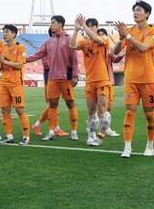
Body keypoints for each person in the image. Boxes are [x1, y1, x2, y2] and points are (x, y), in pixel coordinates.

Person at [113, 0, 154, 158]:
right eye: (134, 10)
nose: (135, 12)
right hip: (131, 79)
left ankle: (150, 145)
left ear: (147, 14)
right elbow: (115, 52)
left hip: (147, 79)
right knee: (129, 112)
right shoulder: (129, 30)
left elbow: (143, 48)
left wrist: (127, 35)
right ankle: (127, 147)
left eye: (139, 10)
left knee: (149, 114)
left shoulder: (153, 31)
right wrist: (120, 38)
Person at [26, 15, 80, 141]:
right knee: (52, 104)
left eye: (53, 23)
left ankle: (74, 131)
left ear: (60, 24)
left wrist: (75, 76)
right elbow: (38, 54)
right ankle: (51, 132)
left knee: (70, 103)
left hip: (66, 78)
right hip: (52, 78)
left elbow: (75, 59)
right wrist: (23, 60)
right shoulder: (48, 41)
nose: (51, 25)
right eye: (51, 23)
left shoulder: (69, 38)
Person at [70, 15, 111, 146]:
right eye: (88, 26)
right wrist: (76, 29)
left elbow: (95, 38)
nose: (89, 28)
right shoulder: (84, 43)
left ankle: (101, 134)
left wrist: (84, 26)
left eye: (92, 26)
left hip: (102, 80)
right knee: (91, 111)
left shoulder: (103, 39)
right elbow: (72, 45)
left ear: (97, 27)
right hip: (90, 81)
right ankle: (91, 135)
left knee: (102, 110)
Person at [0, 24, 30, 145]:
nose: (4, 34)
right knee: (5, 110)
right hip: (3, 83)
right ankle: (9, 136)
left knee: (19, 110)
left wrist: (3, 61)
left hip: (16, 84)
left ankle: (26, 136)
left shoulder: (20, 48)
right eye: (3, 32)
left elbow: (19, 65)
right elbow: (1, 68)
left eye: (7, 32)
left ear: (14, 34)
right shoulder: (2, 49)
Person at [96, 28, 120, 139]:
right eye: (99, 34)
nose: (101, 36)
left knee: (109, 106)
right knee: (103, 106)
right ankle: (105, 128)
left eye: (103, 34)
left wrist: (122, 54)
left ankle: (99, 124)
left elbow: (115, 59)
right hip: (100, 81)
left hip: (110, 80)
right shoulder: (95, 50)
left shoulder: (109, 49)